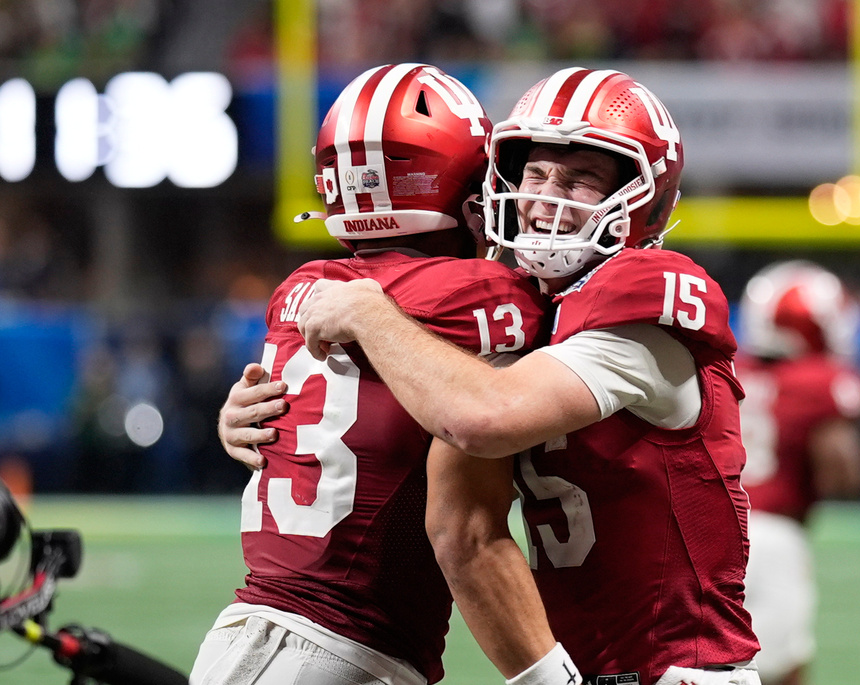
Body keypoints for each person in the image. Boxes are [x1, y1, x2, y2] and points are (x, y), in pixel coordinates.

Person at [295, 67, 762, 685]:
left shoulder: (643, 296)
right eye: (536, 174)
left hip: (680, 671)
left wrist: (368, 312)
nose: (546, 197)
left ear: (644, 199)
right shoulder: (534, 313)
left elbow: (481, 417)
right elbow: (456, 512)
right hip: (584, 669)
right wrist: (262, 408)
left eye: (582, 179)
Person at [191, 63, 578, 685]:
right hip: (329, 646)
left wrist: (231, 416)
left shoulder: (303, 288)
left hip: (282, 636)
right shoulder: (484, 293)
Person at [734, 261, 860, 685]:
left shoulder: (730, 370)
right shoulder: (820, 380)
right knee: (782, 671)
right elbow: (843, 477)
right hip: (775, 534)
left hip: (711, 530)